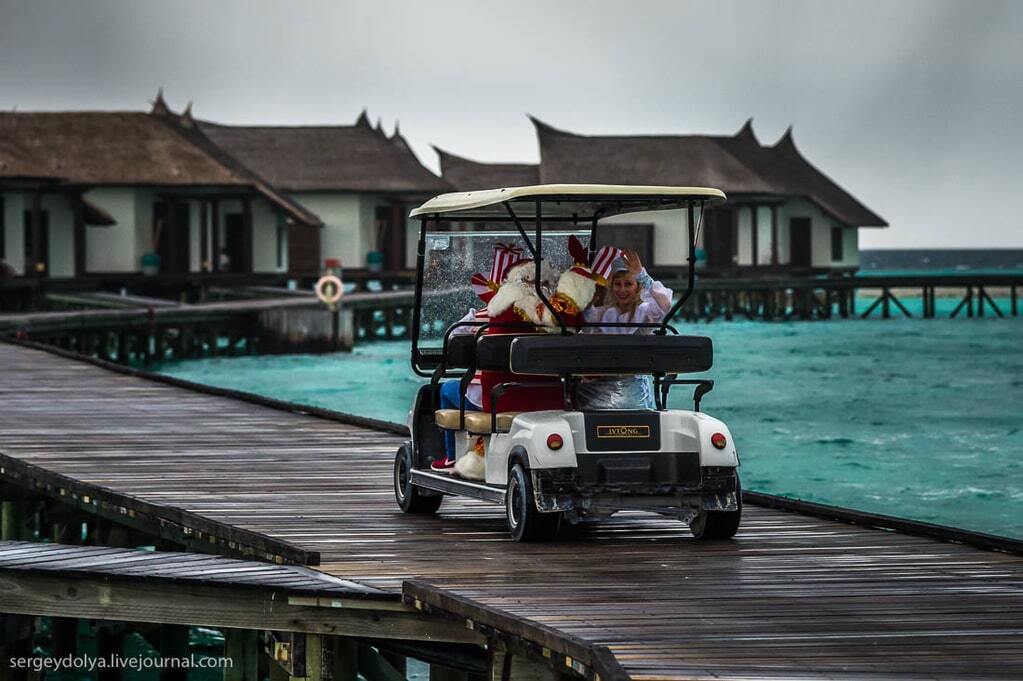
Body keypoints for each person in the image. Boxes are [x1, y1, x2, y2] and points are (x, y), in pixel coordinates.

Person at [577, 249, 673, 410]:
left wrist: (642, 274)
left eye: (628, 284)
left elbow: (665, 305)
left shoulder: (646, 312)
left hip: (634, 394)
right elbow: (583, 320)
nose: (622, 290)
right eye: (617, 284)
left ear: (637, 287)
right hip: (598, 392)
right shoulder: (602, 314)